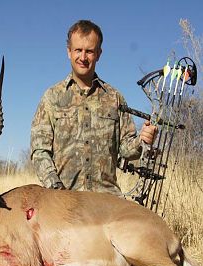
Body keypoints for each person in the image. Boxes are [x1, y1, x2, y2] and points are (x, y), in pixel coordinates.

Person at [30, 20, 156, 195]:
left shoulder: (115, 97)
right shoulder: (51, 97)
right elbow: (40, 151)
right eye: (78, 50)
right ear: (69, 52)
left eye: (89, 51)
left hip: (108, 201)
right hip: (64, 202)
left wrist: (143, 140)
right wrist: (56, 190)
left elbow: (126, 150)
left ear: (98, 54)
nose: (83, 57)